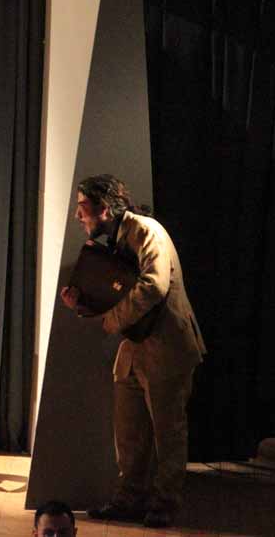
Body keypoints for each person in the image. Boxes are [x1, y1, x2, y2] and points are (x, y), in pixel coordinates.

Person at [60, 175, 206, 528]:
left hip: (167, 347)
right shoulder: (114, 240)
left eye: (82, 207)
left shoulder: (144, 230)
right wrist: (82, 305)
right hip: (135, 346)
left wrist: (111, 319)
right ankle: (129, 498)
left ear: (104, 208)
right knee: (129, 432)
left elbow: (153, 285)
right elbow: (118, 291)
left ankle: (165, 503)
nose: (78, 216)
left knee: (167, 432)